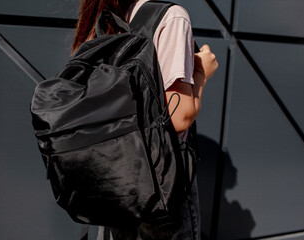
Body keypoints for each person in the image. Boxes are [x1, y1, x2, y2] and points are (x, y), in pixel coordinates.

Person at [72, 0, 218, 239]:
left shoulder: (109, 17)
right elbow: (179, 117)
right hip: (161, 182)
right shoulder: (171, 17)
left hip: (113, 180)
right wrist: (201, 72)